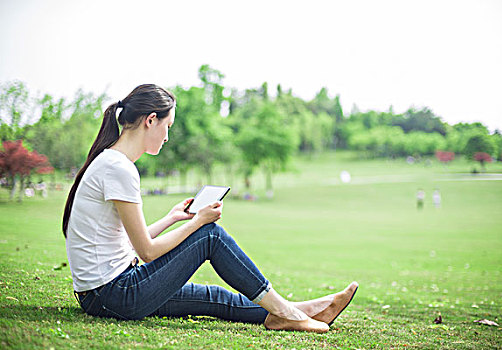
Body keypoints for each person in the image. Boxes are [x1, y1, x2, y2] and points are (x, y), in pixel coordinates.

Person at [62, 84, 358, 333]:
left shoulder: (110, 162)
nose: (167, 137)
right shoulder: (119, 169)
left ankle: (309, 309)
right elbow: (147, 252)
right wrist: (197, 222)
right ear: (150, 120)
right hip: (115, 295)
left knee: (215, 297)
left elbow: (125, 242)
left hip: (106, 293)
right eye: (168, 126)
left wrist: (171, 218)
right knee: (210, 236)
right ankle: (289, 314)